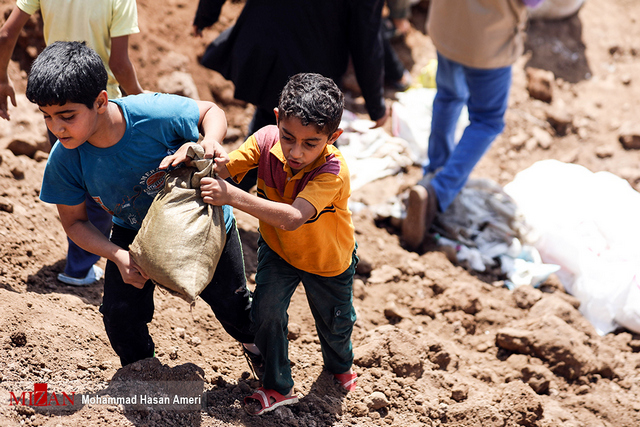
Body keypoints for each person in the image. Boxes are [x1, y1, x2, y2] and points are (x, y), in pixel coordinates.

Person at [26, 41, 258, 368]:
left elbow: (211, 112)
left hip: (199, 221)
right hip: (131, 230)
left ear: (100, 101)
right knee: (120, 317)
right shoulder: (64, 159)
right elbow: (74, 223)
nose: (56, 127)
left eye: (67, 116)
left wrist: (209, 141)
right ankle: (143, 372)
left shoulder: (153, 114)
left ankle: (263, 355)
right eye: (47, 116)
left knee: (234, 309)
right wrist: (118, 255)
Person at [194, 73, 359, 415]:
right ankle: (277, 386)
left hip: (327, 261)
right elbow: (228, 167)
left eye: (310, 143)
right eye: (289, 137)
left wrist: (232, 197)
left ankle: (340, 365)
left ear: (333, 137)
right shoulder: (266, 141)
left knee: (335, 323)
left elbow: (293, 217)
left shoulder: (333, 171)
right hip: (279, 251)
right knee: (265, 313)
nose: (296, 151)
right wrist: (201, 158)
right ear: (277, 119)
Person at [0, 0, 145, 285]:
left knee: (74, 186)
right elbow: (118, 63)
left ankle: (79, 261)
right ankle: (79, 268)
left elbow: (6, 33)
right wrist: (141, 98)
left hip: (55, 106)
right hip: (97, 109)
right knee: (101, 196)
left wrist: (2, 77)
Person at [192, 0, 389, 191]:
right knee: (308, 145)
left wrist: (205, 16)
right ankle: (216, 192)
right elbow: (366, 39)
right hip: (313, 65)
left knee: (276, 130)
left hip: (264, 44)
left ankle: (217, 189)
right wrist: (376, 104)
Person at [402, 0, 537, 250]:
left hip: (447, 27)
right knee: (488, 120)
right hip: (487, 41)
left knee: (448, 97)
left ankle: (433, 173)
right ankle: (438, 192)